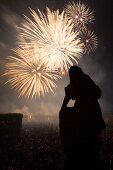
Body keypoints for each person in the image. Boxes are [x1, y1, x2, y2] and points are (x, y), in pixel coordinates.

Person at [59, 66, 106, 170]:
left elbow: (68, 96)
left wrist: (63, 109)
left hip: (85, 113)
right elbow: (98, 93)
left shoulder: (77, 81)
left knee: (84, 140)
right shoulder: (86, 79)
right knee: (93, 143)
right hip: (94, 114)